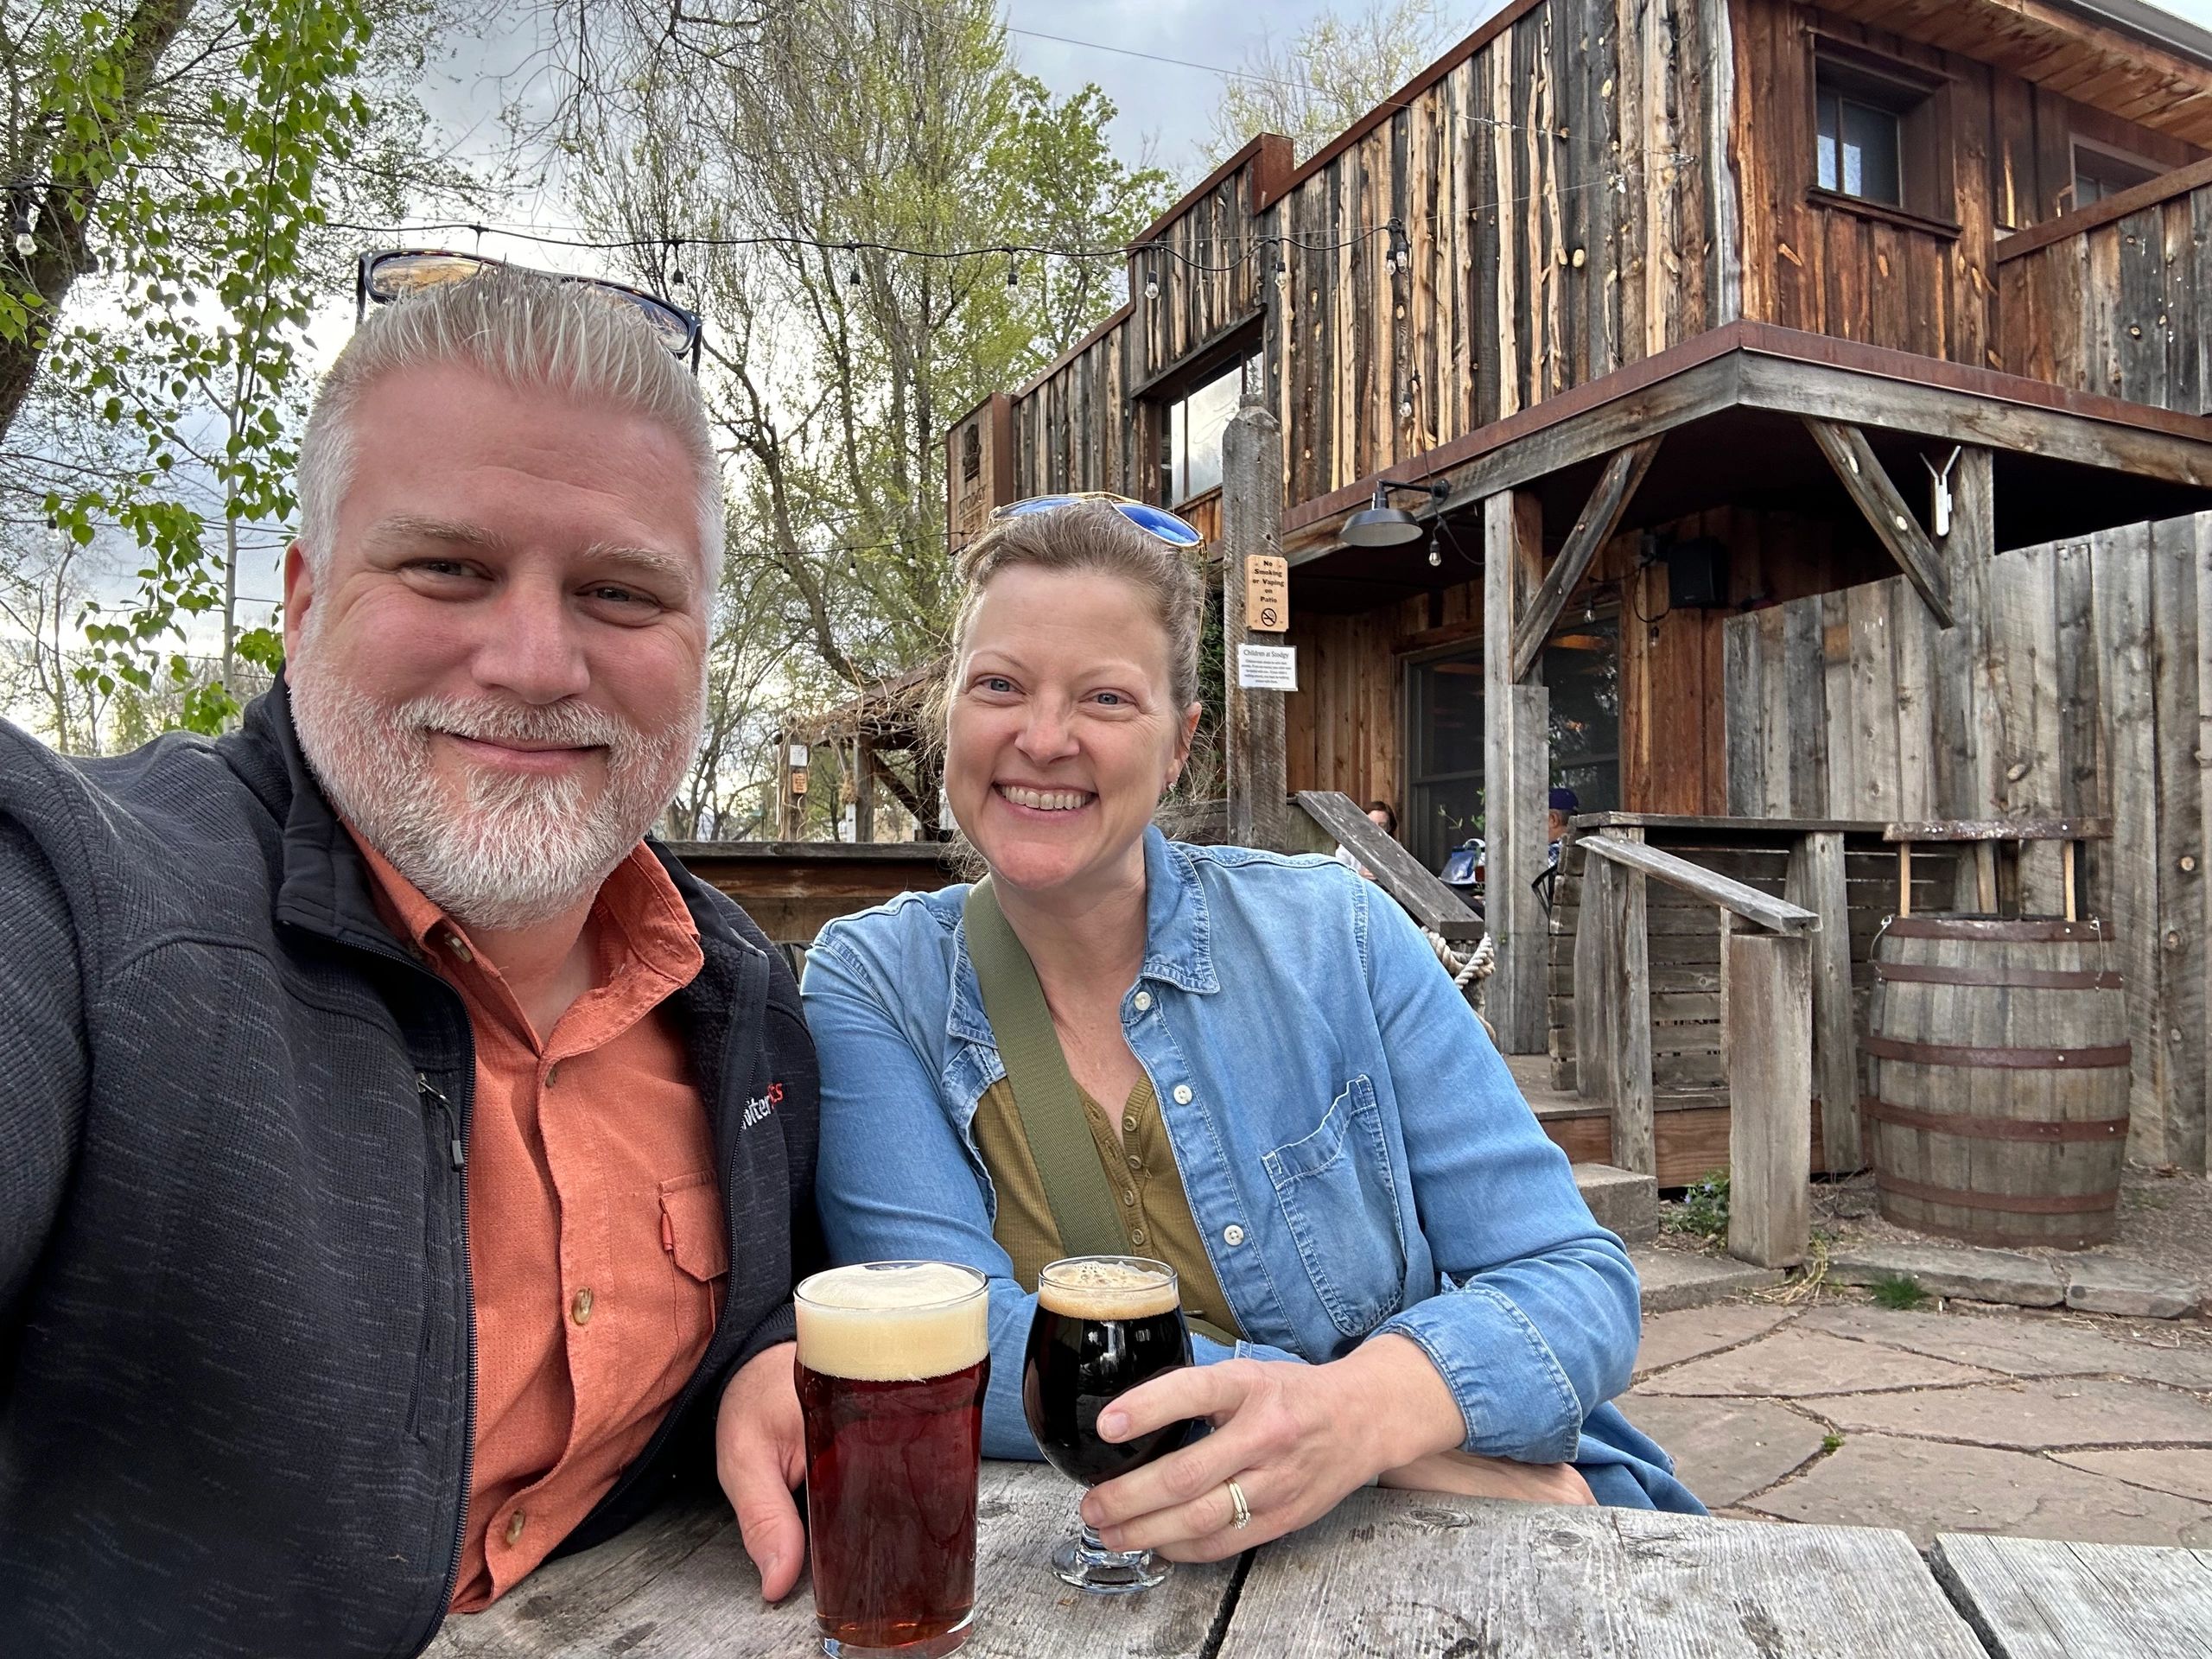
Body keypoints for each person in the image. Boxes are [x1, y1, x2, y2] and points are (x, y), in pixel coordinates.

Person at [0, 267, 818, 1657]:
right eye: (450, 567)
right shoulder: (84, 906)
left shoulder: (742, 1008)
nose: (535, 658)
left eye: (621, 593)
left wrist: (767, 1361)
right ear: (304, 601)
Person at [804, 499, 1695, 1572]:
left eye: (1105, 697)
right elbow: (942, 1340)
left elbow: (1569, 1276)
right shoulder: (871, 984)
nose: (1043, 738)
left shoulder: (1340, 935)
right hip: (1187, 1551)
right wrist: (1380, 1439)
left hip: (1435, 1554)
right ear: (949, 714)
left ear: (1180, 745)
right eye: (999, 686)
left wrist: (1358, 1417)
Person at [1332, 798, 1396, 879]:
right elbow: (1338, 876)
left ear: (1389, 828)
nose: (1375, 829)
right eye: (1371, 823)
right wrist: (1359, 874)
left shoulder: (1396, 851)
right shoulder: (1347, 848)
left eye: (1382, 825)